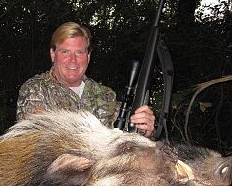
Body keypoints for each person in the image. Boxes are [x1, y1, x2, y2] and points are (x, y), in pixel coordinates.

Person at [16, 22, 155, 138]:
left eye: (79, 52)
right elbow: (35, 144)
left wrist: (145, 129)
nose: (73, 60)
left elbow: (128, 136)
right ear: (53, 54)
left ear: (88, 56)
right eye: (65, 52)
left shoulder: (105, 95)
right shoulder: (36, 90)